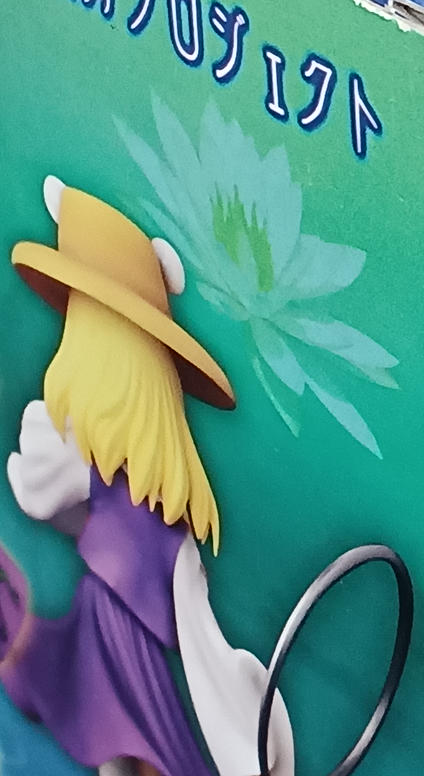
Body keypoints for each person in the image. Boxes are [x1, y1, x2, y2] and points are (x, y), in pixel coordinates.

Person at [3, 177, 293, 776]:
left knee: (139, 751)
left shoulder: (154, 521)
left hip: (129, 649)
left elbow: (201, 643)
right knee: (114, 747)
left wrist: (244, 750)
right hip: (101, 633)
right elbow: (43, 495)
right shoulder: (99, 471)